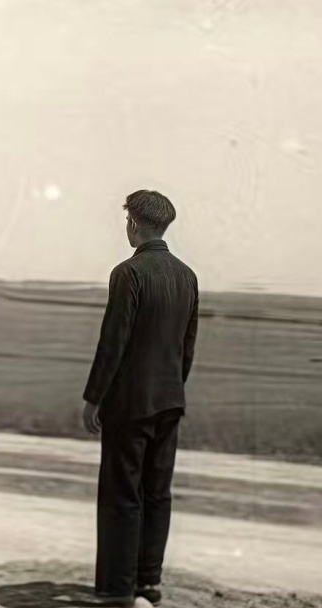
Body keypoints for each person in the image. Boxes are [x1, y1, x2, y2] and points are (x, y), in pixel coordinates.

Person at [82, 190, 198, 608]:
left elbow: (113, 343)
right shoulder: (187, 276)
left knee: (122, 493)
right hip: (169, 400)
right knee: (158, 493)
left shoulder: (128, 273)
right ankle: (149, 582)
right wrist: (173, 388)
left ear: (134, 222)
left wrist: (94, 398)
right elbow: (187, 347)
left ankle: (117, 587)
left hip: (130, 404)